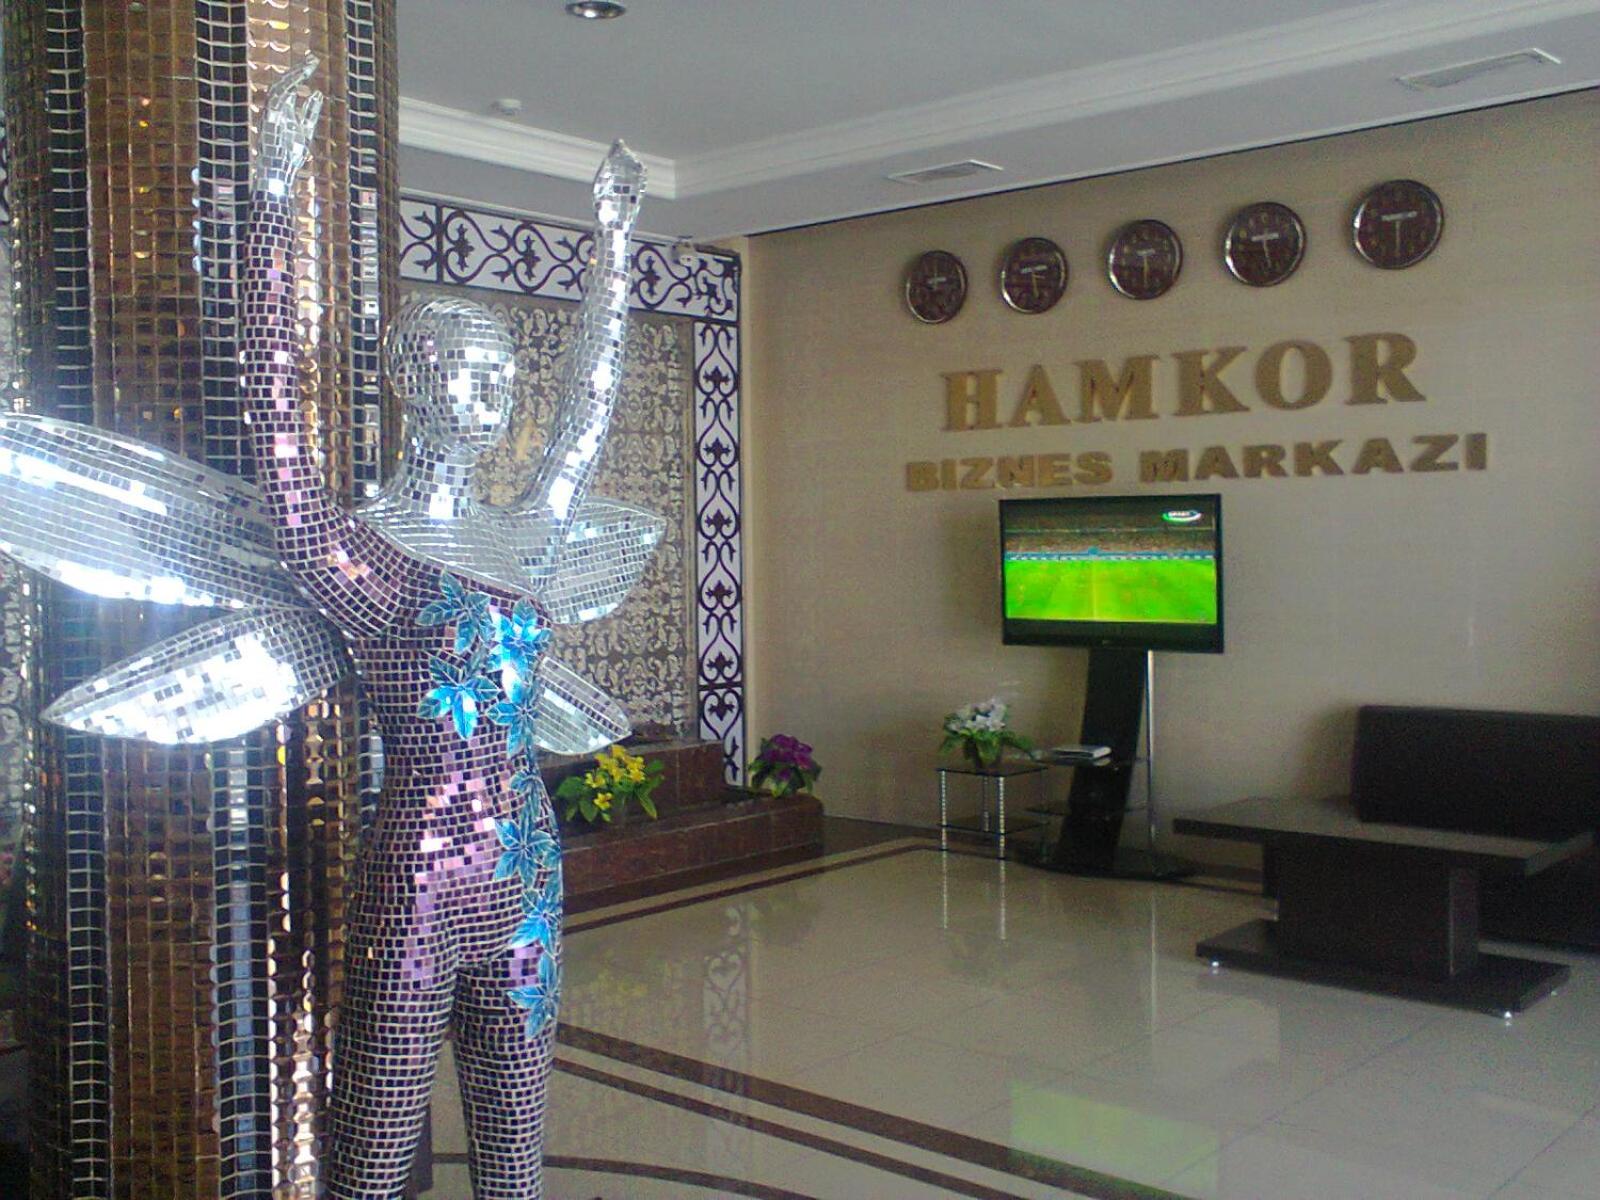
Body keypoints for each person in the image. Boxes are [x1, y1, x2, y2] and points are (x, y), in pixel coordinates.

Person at [247, 57, 645, 1198]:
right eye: (468, 376)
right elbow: (276, 432)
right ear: (411, 383)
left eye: (501, 379)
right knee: (372, 1154)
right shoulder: (363, 554)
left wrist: (615, 246)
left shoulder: (524, 539)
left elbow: (588, 412)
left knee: (517, 1151)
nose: (491, 400)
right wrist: (270, 207)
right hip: (412, 884)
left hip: (527, 869)